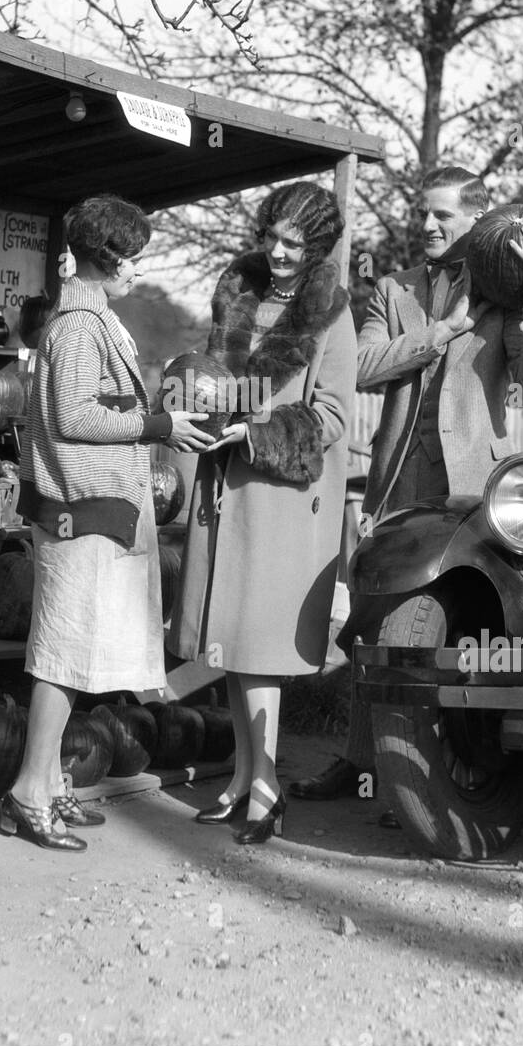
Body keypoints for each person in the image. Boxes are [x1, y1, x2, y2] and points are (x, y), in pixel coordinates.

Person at [289, 165, 523, 812]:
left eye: (441, 215)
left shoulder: (507, 298)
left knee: (457, 630)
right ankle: (362, 764)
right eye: (423, 214)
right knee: (373, 625)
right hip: (399, 486)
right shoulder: (393, 290)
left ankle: (428, 777)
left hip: (475, 494)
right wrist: (440, 333)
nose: (426, 225)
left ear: (476, 222)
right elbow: (360, 368)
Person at [5, 194, 211, 851]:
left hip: (93, 512)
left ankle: (52, 785)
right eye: (137, 260)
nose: (139, 273)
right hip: (78, 513)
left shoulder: (94, 322)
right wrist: (160, 425)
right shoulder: (78, 329)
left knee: (78, 652)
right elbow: (76, 418)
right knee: (62, 657)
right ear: (112, 258)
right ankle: (29, 793)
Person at [168, 182, 357, 845]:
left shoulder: (331, 315)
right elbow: (209, 381)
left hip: (282, 497)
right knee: (229, 643)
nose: (277, 252)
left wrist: (252, 434)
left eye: (294, 243)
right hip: (224, 490)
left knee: (259, 647)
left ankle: (268, 788)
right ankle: (243, 780)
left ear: (317, 250)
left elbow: (334, 416)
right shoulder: (236, 297)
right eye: (271, 236)